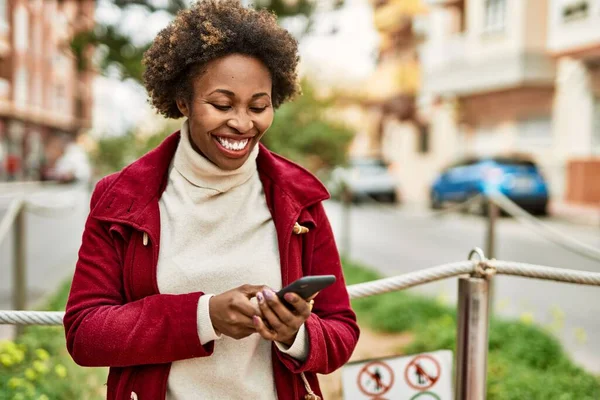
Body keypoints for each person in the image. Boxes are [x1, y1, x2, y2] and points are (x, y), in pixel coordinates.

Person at [63, 1, 359, 399]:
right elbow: (85, 332)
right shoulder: (122, 198)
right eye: (221, 105)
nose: (241, 122)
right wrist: (204, 316)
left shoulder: (299, 199)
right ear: (183, 102)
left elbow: (342, 331)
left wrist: (297, 334)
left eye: (259, 106)